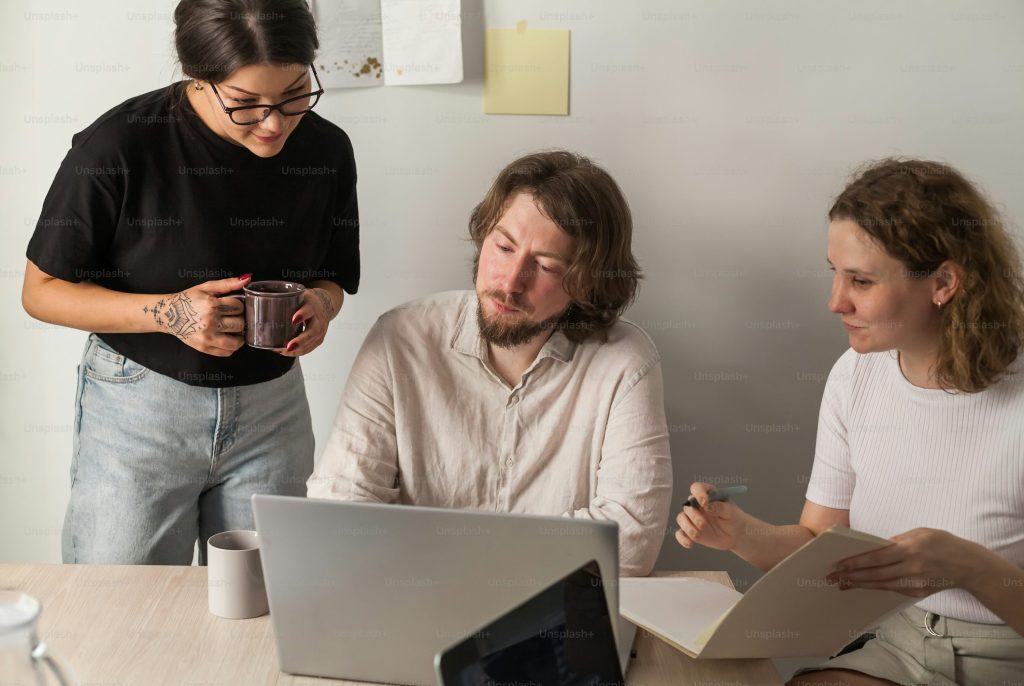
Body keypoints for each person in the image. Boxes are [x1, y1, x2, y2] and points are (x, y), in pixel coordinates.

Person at [21, 0, 359, 565]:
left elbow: (333, 278)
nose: (276, 123)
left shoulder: (327, 149)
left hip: (273, 409)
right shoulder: (118, 146)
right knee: (120, 611)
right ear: (197, 79)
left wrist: (321, 304)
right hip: (139, 411)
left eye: (295, 93)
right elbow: (40, 291)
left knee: (266, 607)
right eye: (247, 104)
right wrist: (169, 313)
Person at [676, 158, 1024, 685]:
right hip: (895, 642)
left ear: (944, 282)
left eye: (860, 280)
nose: (835, 301)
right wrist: (743, 535)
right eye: (835, 273)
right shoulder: (854, 375)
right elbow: (823, 544)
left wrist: (968, 566)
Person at [307, 151, 672, 576]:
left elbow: (630, 544)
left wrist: (440, 550)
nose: (510, 282)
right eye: (503, 247)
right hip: (414, 606)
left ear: (587, 282)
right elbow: (339, 511)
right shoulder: (400, 339)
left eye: (545, 266)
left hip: (555, 617)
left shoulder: (625, 362)